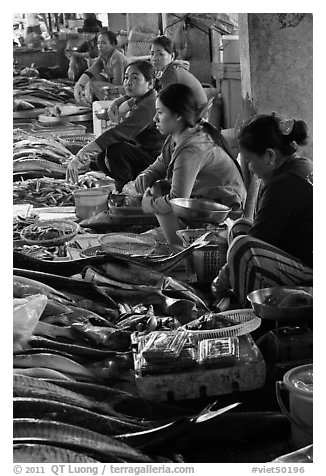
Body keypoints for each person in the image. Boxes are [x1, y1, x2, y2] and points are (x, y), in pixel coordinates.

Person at [212, 113, 313, 307]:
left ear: (270, 155)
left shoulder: (285, 183)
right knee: (240, 228)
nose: (250, 167)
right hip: (301, 257)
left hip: (312, 271)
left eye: (250, 160)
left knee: (243, 250)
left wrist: (221, 280)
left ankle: (251, 321)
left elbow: (257, 241)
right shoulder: (300, 166)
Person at [133, 83, 246, 244]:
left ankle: (179, 249)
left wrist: (149, 204)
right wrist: (146, 176)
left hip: (226, 212)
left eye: (160, 112)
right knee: (158, 187)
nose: (154, 119)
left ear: (178, 115)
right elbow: (158, 165)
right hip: (208, 200)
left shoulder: (191, 149)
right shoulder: (180, 136)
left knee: (159, 195)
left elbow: (177, 199)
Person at [66, 60, 164, 192]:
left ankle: (127, 190)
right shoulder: (144, 97)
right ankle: (125, 184)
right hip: (144, 152)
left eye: (135, 78)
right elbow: (127, 100)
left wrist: (80, 157)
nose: (128, 82)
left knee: (116, 150)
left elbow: (117, 133)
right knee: (102, 155)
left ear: (150, 83)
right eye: (126, 77)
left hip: (157, 162)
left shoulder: (147, 106)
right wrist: (117, 102)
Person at [150, 35, 208, 116]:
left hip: (195, 116)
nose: (155, 58)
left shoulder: (170, 72)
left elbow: (165, 104)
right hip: (195, 112)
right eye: (152, 54)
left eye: (160, 54)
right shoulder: (168, 70)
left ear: (172, 56)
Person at [74, 30, 128, 104]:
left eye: (104, 43)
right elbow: (91, 71)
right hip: (114, 85)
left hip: (124, 88)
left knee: (94, 84)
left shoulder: (117, 57)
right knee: (91, 78)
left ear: (112, 44)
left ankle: (109, 103)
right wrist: (78, 85)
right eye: (98, 43)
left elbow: (118, 84)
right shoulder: (103, 57)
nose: (100, 46)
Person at [65, 16, 102, 81]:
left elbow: (94, 53)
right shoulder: (88, 42)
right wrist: (72, 65)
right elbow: (78, 51)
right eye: (84, 33)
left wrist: (78, 55)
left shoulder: (100, 41)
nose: (85, 35)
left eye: (88, 33)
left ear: (94, 33)